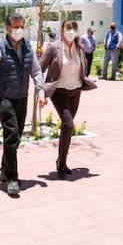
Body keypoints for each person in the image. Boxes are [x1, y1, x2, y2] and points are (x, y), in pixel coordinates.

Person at [0, 14, 46, 196]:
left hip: (22, 97)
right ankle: (12, 178)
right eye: (15, 26)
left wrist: (41, 91)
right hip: (5, 98)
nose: (19, 30)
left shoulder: (27, 47)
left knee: (15, 138)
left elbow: (36, 70)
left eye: (21, 26)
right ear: (7, 27)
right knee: (11, 134)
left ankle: (4, 168)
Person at [39, 20, 95, 178]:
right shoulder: (53, 48)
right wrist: (41, 92)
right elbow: (39, 70)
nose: (71, 31)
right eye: (68, 28)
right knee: (69, 124)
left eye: (74, 28)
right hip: (59, 92)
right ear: (62, 31)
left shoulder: (80, 47)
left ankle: (61, 161)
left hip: (76, 91)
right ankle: (61, 163)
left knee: (67, 128)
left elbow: (83, 66)